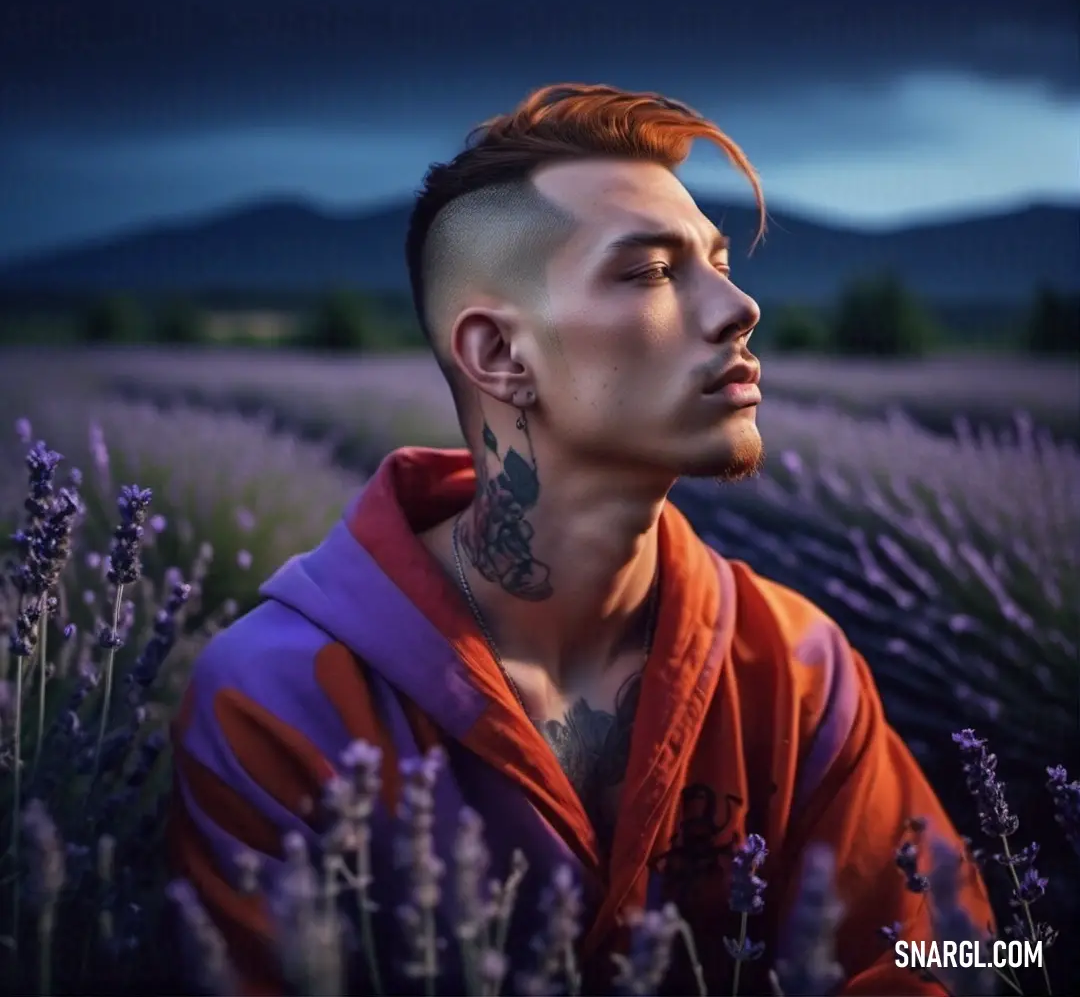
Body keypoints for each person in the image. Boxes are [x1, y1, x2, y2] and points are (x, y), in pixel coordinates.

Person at [168, 83, 992, 995]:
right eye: (649, 272)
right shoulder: (284, 699)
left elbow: (964, 951)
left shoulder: (796, 664)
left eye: (720, 263)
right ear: (500, 357)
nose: (739, 306)